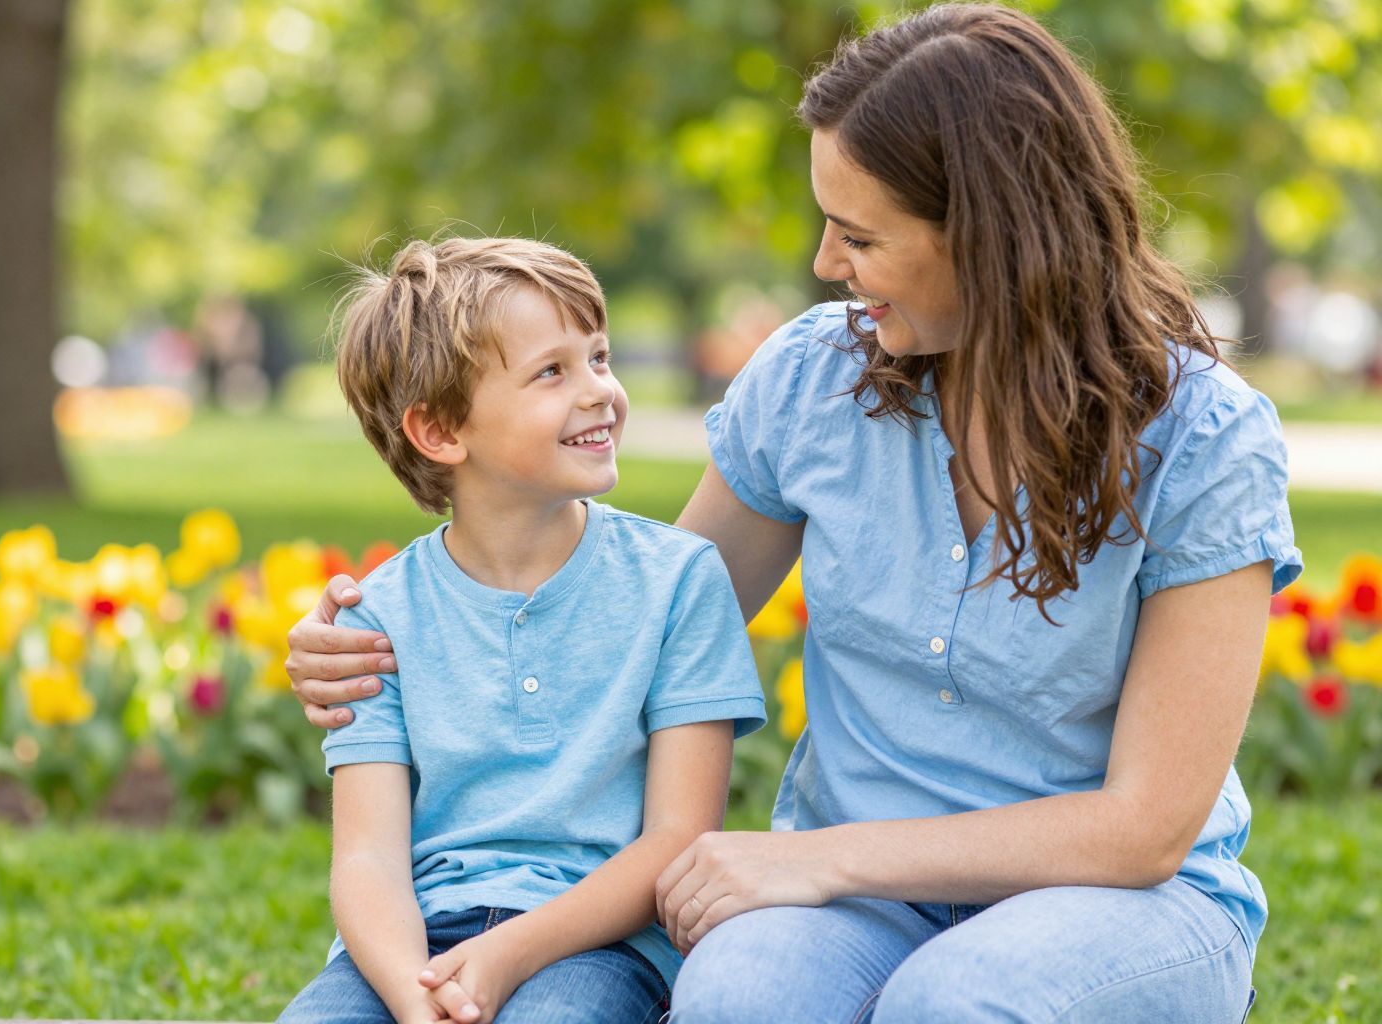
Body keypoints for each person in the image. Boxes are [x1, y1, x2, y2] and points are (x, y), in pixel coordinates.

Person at [287, 6, 1300, 1021]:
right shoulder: (815, 383)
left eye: (860, 234)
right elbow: (633, 626)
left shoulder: (1205, 441)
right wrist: (373, 647)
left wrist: (822, 857)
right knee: (737, 996)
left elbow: (1146, 828)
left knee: (952, 1004)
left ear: (993, 242)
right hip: (859, 902)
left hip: (1121, 903)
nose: (826, 262)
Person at [277, 237, 765, 1024]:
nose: (600, 391)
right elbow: (367, 858)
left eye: (599, 357)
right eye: (553, 371)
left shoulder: (678, 583)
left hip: (603, 945)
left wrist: (506, 957)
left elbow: (677, 838)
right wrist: (412, 994)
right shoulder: (378, 616)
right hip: (417, 945)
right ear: (439, 431)